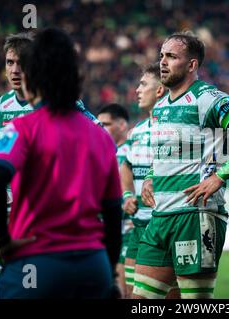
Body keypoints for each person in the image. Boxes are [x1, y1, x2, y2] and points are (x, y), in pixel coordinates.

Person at [0, 27, 122, 299]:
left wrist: (1, 238)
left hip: (34, 262)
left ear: (31, 79)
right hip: (91, 266)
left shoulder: (20, 128)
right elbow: (113, 213)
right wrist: (108, 271)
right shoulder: (101, 137)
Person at [133, 32, 229, 299]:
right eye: (162, 56)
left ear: (192, 65)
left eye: (172, 57)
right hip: (160, 217)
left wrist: (220, 176)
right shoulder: (161, 105)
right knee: (139, 300)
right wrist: (151, 176)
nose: (163, 62)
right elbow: (164, 153)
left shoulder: (207, 98)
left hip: (195, 217)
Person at [0, 32, 100, 176]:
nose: (15, 71)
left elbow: (104, 140)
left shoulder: (60, 101)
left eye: (22, 63)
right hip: (12, 197)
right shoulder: (2, 103)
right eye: (10, 62)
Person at [121, 62, 179, 298]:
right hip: (138, 226)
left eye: (143, 84)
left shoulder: (176, 127)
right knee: (130, 295)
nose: (137, 90)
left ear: (159, 91)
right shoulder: (137, 131)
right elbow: (126, 164)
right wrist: (126, 195)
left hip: (164, 226)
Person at [97, 103, 131, 298]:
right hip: (106, 229)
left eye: (105, 124)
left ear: (122, 125)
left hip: (128, 228)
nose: (99, 129)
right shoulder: (101, 152)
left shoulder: (132, 151)